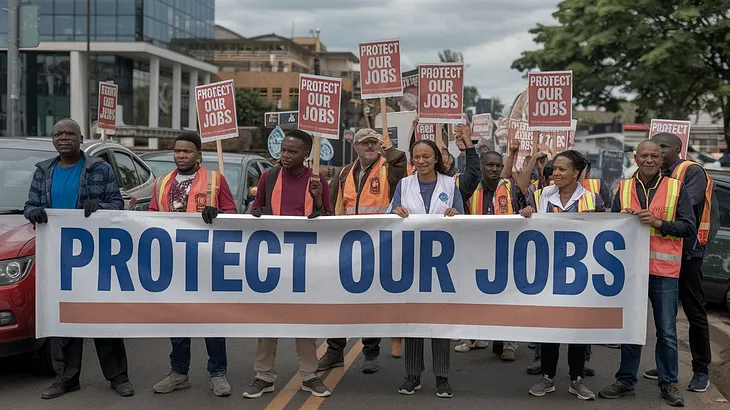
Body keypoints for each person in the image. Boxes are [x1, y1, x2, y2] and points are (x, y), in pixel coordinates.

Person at [24, 119, 133, 400]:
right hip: (59, 258)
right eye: (58, 133)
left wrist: (99, 208)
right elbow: (30, 206)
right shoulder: (43, 171)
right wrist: (33, 212)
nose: (63, 138)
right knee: (65, 319)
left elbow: (117, 205)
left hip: (96, 256)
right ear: (53, 139)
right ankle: (66, 378)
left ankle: (118, 377)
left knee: (102, 317)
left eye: (69, 133)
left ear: (80, 138)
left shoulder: (100, 168)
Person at [598, 140, 697, 407]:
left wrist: (659, 223)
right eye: (645, 155)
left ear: (662, 159)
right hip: (631, 271)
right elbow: (612, 226)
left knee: (666, 331)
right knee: (631, 329)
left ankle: (669, 383)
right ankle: (625, 381)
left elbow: (689, 227)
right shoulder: (625, 187)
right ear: (636, 158)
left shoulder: (677, 188)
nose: (650, 159)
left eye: (655, 155)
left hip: (663, 271)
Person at [246, 129, 333, 399]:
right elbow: (256, 209)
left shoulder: (317, 180)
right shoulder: (268, 177)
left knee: (304, 320)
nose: (285, 155)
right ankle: (264, 376)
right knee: (268, 320)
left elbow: (329, 220)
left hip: (305, 263)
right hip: (272, 261)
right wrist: (256, 212)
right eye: (283, 149)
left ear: (306, 154)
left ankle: (309, 376)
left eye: (292, 151)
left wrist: (318, 198)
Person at [149, 131, 237, 397]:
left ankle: (218, 373)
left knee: (211, 318)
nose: (181, 155)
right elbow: (153, 215)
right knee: (177, 319)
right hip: (173, 262)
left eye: (187, 151)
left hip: (207, 261)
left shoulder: (215, 179)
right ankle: (179, 373)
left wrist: (218, 213)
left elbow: (233, 213)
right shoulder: (162, 182)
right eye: (177, 151)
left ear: (198, 154)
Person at [319, 128, 407, 372]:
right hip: (348, 245)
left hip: (378, 244)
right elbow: (334, 204)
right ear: (355, 146)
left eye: (374, 142)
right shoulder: (345, 172)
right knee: (340, 300)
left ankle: (370, 352)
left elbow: (400, 164)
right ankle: (334, 350)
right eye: (364, 142)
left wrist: (388, 148)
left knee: (372, 300)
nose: (370, 146)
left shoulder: (389, 169)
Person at [520, 150, 603, 401]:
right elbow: (528, 221)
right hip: (547, 272)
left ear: (576, 172)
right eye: (554, 169)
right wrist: (526, 213)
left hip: (579, 274)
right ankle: (548, 377)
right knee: (550, 327)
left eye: (562, 169)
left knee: (577, 327)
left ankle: (576, 379)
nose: (555, 173)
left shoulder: (592, 200)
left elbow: (604, 232)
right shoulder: (541, 195)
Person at [389, 139, 464, 399]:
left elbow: (464, 221)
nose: (421, 161)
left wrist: (456, 214)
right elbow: (389, 217)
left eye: (426, 157)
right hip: (411, 262)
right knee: (414, 320)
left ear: (435, 159)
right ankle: (413, 374)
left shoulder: (448, 184)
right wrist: (394, 212)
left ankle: (442, 376)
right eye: (416, 157)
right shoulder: (404, 184)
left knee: (439, 320)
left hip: (442, 264)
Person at [640, 133, 715, 392]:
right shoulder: (657, 176)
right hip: (664, 255)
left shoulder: (689, 171)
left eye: (662, 147)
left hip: (688, 254)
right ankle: (665, 366)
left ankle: (700, 370)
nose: (657, 152)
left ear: (677, 149)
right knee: (665, 317)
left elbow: (686, 200)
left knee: (694, 312)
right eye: (653, 148)